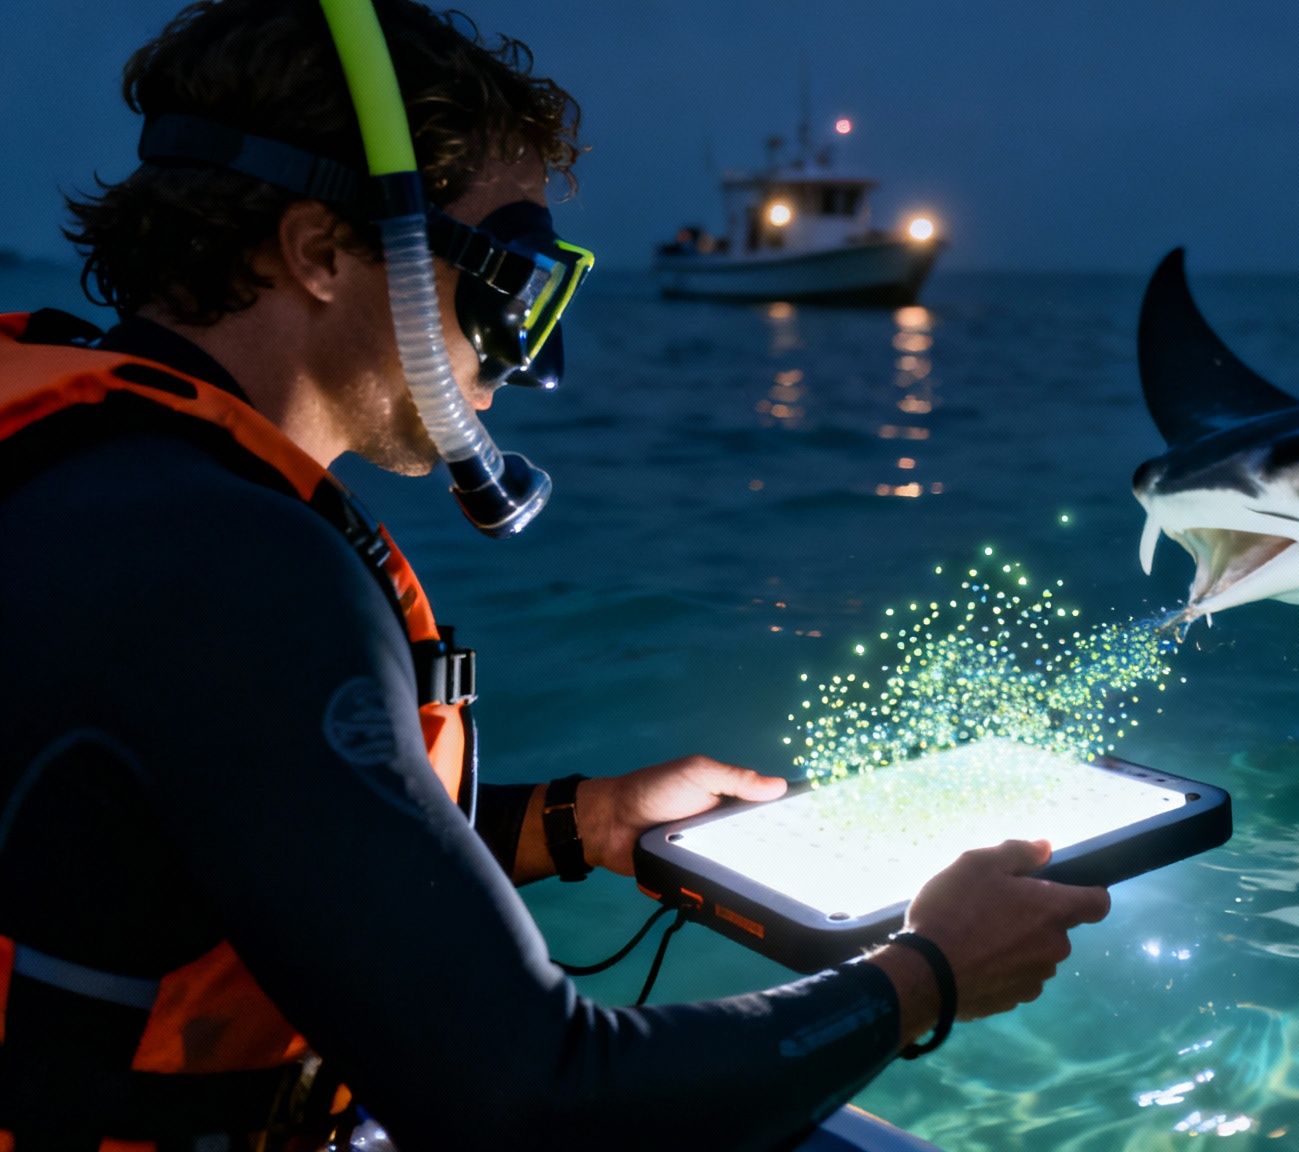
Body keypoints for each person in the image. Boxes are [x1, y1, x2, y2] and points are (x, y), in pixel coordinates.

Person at [0, 2, 1110, 1150]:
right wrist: (924, 977)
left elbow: (241, 850)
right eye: (504, 274)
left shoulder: (103, 485)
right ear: (321, 252)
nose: (521, 344)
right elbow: (536, 1102)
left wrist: (583, 823)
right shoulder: (229, 570)